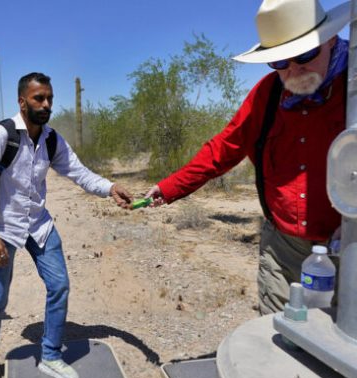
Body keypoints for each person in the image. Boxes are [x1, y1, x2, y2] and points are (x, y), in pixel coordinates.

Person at [144, 0, 349, 315]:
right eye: (279, 61)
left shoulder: (353, 88)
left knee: (344, 339)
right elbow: (223, 148)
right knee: (277, 332)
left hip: (349, 248)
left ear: (331, 39)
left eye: (305, 54)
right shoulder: (268, 94)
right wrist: (170, 187)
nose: (293, 70)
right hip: (283, 249)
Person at [0, 72, 133, 378]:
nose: (46, 104)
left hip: (39, 224)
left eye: (50, 98)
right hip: (2, 228)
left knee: (59, 285)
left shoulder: (52, 139)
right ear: (22, 101)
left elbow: (79, 173)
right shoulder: (0, 136)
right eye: (39, 98)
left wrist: (110, 188)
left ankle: (51, 356)